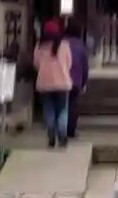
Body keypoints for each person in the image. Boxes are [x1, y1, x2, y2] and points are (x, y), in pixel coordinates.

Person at [33, 18, 75, 148]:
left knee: (48, 110)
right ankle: (62, 136)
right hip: (62, 83)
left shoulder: (39, 47)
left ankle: (51, 135)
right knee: (62, 111)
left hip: (44, 83)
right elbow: (69, 63)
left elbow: (36, 64)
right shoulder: (64, 45)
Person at [65, 17, 89, 140]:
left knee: (62, 105)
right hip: (76, 79)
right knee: (73, 105)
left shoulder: (62, 43)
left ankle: (60, 127)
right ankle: (71, 130)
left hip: (62, 77)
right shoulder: (80, 45)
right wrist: (84, 81)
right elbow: (85, 65)